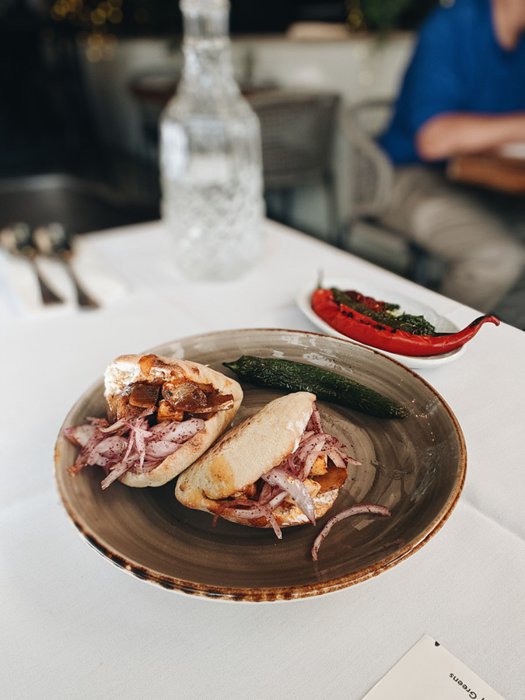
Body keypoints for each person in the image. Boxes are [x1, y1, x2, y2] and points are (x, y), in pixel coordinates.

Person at [378, 0, 525, 318]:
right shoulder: (451, 26)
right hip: (407, 174)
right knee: (496, 259)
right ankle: (436, 337)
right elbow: (434, 139)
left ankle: (500, 339)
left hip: (482, 178)